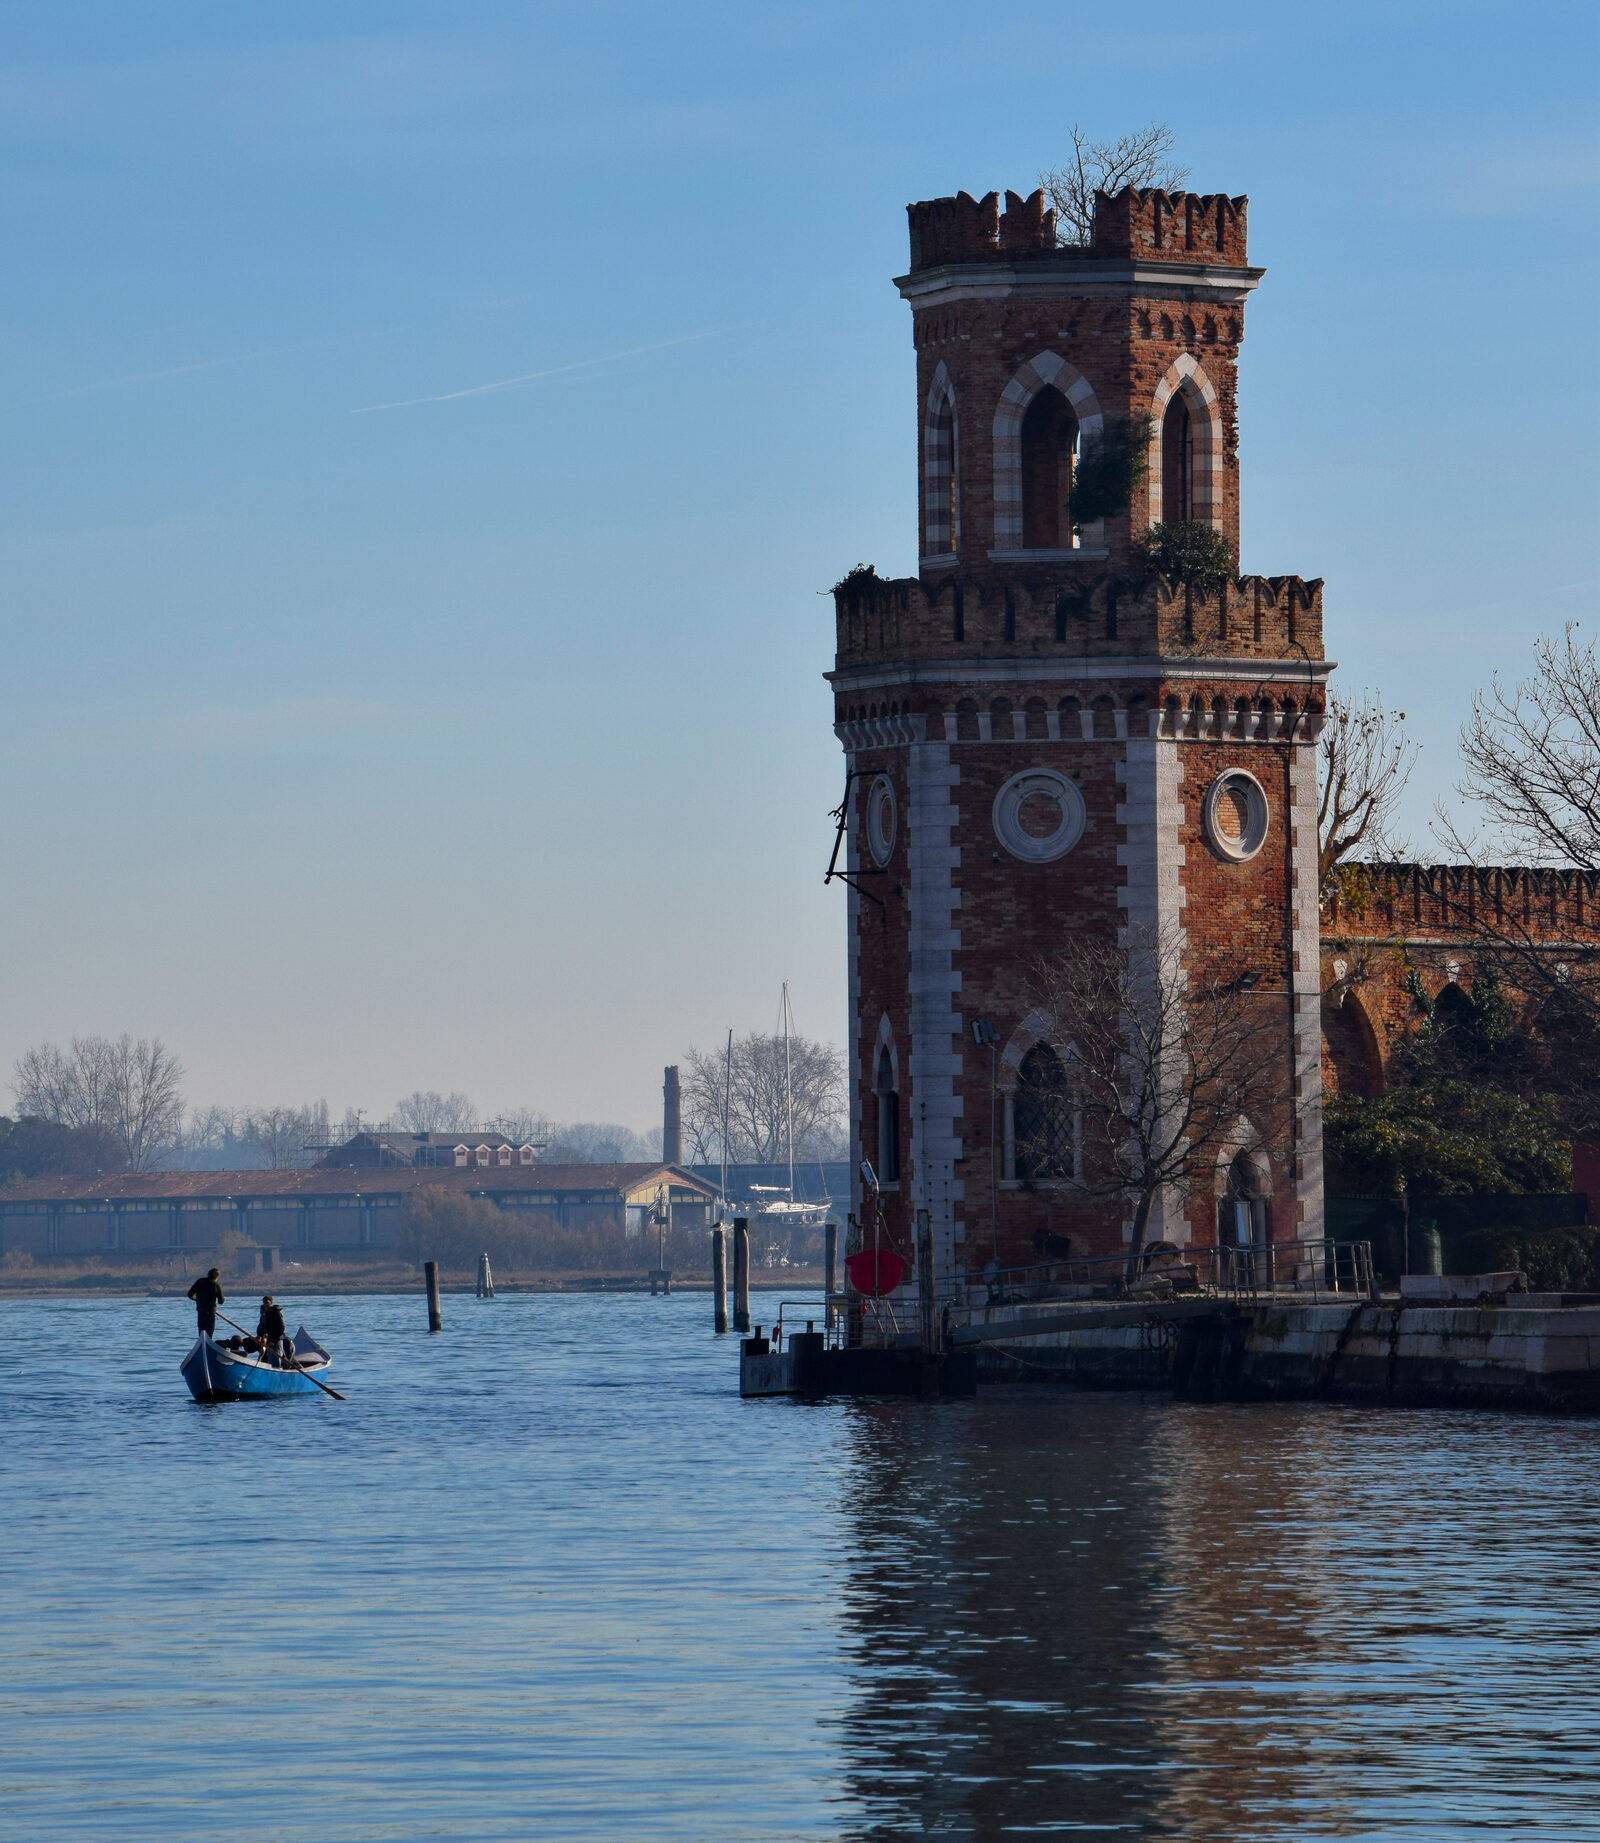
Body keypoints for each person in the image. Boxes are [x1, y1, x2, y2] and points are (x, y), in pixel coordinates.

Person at [186, 1269, 225, 1339]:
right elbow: (221, 1302)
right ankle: (207, 1345)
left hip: (201, 1312)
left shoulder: (200, 1281)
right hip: (211, 1313)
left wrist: (197, 1300)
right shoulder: (216, 1284)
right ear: (217, 1276)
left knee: (201, 1333)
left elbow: (190, 1294)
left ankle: (202, 1344)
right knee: (209, 1334)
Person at [255, 1294, 288, 1364]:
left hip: (276, 1341)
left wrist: (273, 1340)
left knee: (275, 1360)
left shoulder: (276, 1313)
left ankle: (278, 1372)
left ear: (271, 1303)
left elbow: (281, 1328)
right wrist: (259, 1336)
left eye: (267, 1302)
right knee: (270, 1359)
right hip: (268, 1341)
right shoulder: (265, 1314)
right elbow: (262, 1326)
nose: (265, 1304)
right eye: (264, 1302)